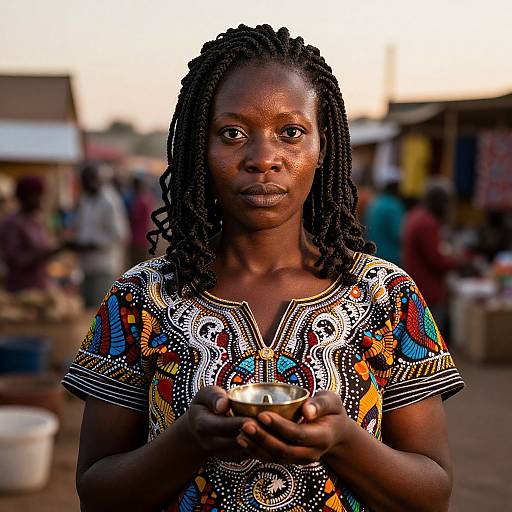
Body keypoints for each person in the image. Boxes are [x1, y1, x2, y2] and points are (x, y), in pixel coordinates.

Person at [62, 25, 464, 512]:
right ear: (199, 149)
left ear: (323, 149)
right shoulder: (141, 299)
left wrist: (344, 442)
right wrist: (187, 439)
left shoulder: (387, 296)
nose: (263, 159)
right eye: (232, 133)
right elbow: (97, 492)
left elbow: (433, 494)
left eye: (290, 133)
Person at [402, 178, 458, 335]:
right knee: (429, 337)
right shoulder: (427, 223)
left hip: (416, 284)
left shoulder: (415, 215)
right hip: (427, 289)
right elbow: (437, 261)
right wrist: (458, 262)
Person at [72, 164, 129, 308]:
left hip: (103, 265)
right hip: (86, 265)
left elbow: (120, 235)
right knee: (89, 309)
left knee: (100, 312)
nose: (84, 184)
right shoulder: (86, 199)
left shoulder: (109, 201)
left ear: (95, 179)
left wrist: (92, 245)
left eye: (87, 180)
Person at [0, 176, 65, 292]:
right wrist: (41, 254)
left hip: (40, 286)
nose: (42, 200)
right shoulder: (12, 223)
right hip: (20, 290)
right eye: (39, 196)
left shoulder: (35, 221)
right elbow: (14, 260)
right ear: (26, 197)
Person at [365, 165, 405, 265]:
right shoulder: (393, 205)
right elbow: (399, 234)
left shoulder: (375, 202)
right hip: (390, 258)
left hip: (374, 255)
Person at [128, 173, 154, 266]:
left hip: (137, 239)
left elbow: (134, 219)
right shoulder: (148, 198)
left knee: (136, 265)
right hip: (144, 237)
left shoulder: (140, 201)